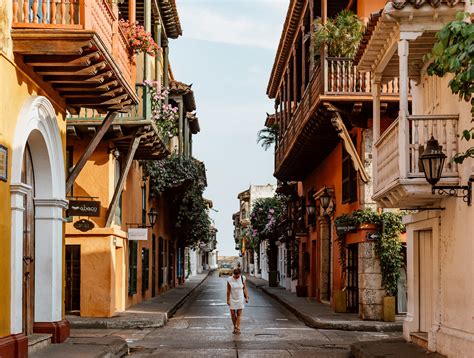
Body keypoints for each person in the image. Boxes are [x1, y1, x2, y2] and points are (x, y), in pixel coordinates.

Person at [226, 267, 249, 334]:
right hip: (232, 297)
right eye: (235, 276)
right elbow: (228, 290)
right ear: (233, 274)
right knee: (233, 313)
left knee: (239, 313)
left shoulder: (243, 278)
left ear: (240, 274)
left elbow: (245, 288)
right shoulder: (229, 279)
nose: (236, 277)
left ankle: (238, 328)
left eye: (238, 276)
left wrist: (246, 297)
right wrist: (228, 300)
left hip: (240, 297)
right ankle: (235, 326)